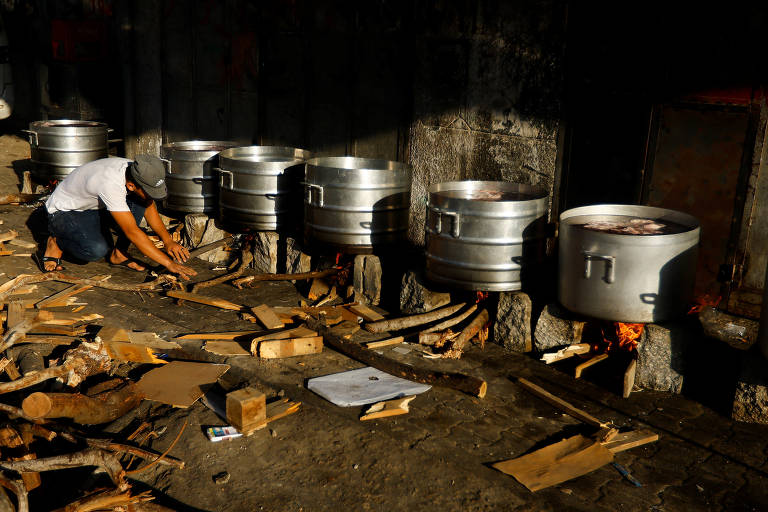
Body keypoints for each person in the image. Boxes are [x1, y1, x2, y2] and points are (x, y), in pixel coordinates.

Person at [40, 155, 197, 280]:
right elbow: (132, 232)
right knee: (95, 250)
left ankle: (119, 254)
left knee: (140, 201)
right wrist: (169, 263)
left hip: (95, 205)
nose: (152, 197)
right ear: (131, 186)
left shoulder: (138, 170)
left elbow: (148, 204)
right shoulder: (110, 183)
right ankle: (56, 243)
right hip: (65, 210)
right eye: (149, 192)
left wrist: (168, 240)